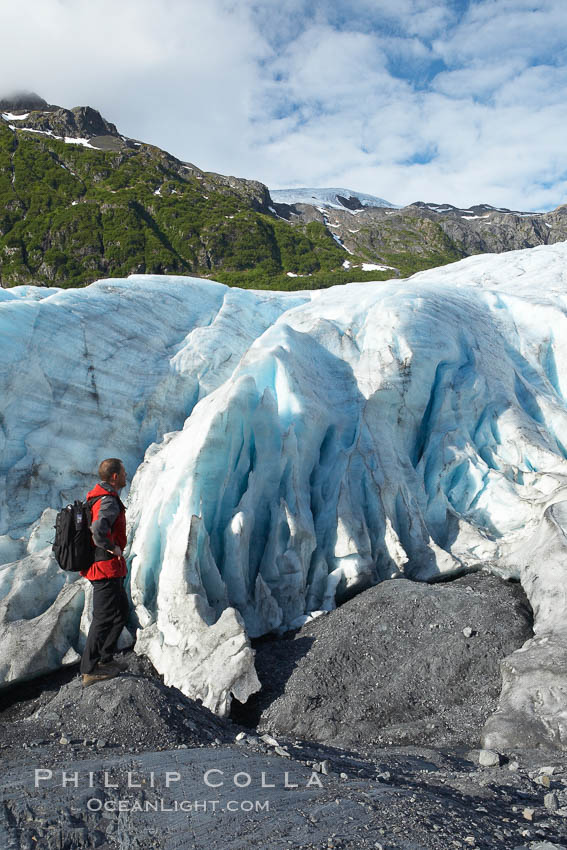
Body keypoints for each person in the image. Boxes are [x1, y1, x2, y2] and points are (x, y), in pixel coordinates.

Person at [79, 458, 130, 687]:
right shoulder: (108, 500)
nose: (127, 476)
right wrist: (113, 547)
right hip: (104, 569)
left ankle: (105, 659)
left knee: (120, 613)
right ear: (115, 477)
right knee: (102, 618)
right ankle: (89, 670)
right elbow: (99, 530)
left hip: (109, 569)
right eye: (124, 472)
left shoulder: (101, 497)